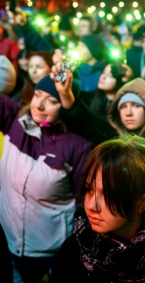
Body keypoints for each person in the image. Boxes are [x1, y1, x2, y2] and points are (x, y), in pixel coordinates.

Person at [50, 135, 145, 282]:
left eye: (108, 196)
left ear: (142, 202)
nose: (91, 206)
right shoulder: (75, 248)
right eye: (89, 190)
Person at [0, 75, 92, 282]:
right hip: (7, 239)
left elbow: (81, 203)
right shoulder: (15, 123)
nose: (39, 105)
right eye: (37, 95)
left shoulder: (77, 147)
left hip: (47, 252)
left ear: (66, 106)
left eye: (52, 101)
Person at [54, 67, 145, 152]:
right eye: (123, 106)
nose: (128, 113)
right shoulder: (113, 136)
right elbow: (85, 122)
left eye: (136, 106)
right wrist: (65, 94)